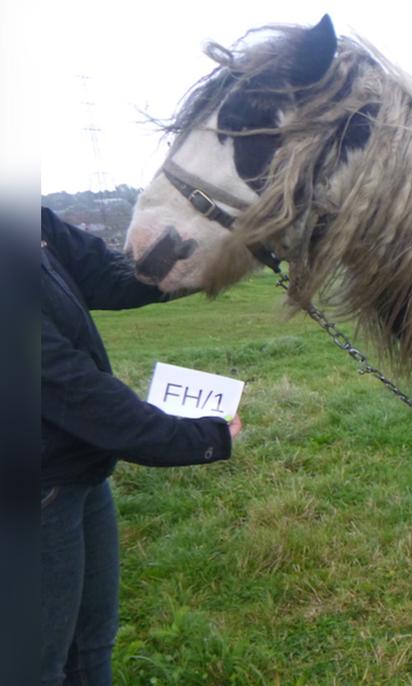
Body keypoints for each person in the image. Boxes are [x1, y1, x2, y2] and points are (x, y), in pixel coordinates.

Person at [40, 207, 242, 686]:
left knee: (91, 645)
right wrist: (200, 437)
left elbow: (114, 276)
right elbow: (71, 386)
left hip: (80, 471)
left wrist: (218, 253)